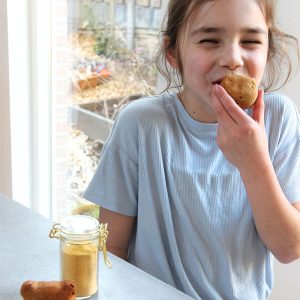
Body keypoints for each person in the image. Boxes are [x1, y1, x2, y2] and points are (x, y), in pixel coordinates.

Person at [84, 0, 300, 299]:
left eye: (250, 40)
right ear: (173, 52)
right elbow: (111, 247)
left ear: (268, 49)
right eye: (210, 40)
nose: (233, 58)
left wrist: (253, 163)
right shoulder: (140, 124)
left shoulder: (278, 118)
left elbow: (290, 248)